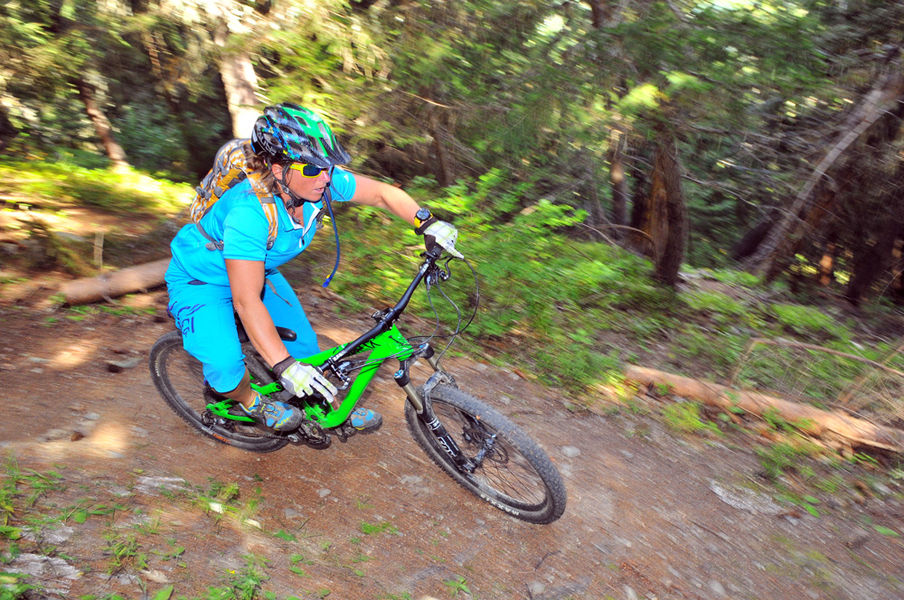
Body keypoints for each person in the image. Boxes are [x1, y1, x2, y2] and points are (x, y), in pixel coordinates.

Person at [165, 102, 462, 433]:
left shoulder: (318, 181)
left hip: (256, 271)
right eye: (312, 169)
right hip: (200, 282)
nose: (325, 177)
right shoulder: (249, 213)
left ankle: (327, 407)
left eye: (329, 166)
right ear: (279, 170)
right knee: (226, 365)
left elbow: (380, 194)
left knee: (304, 347)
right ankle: (252, 402)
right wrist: (283, 366)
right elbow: (246, 301)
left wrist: (426, 222)